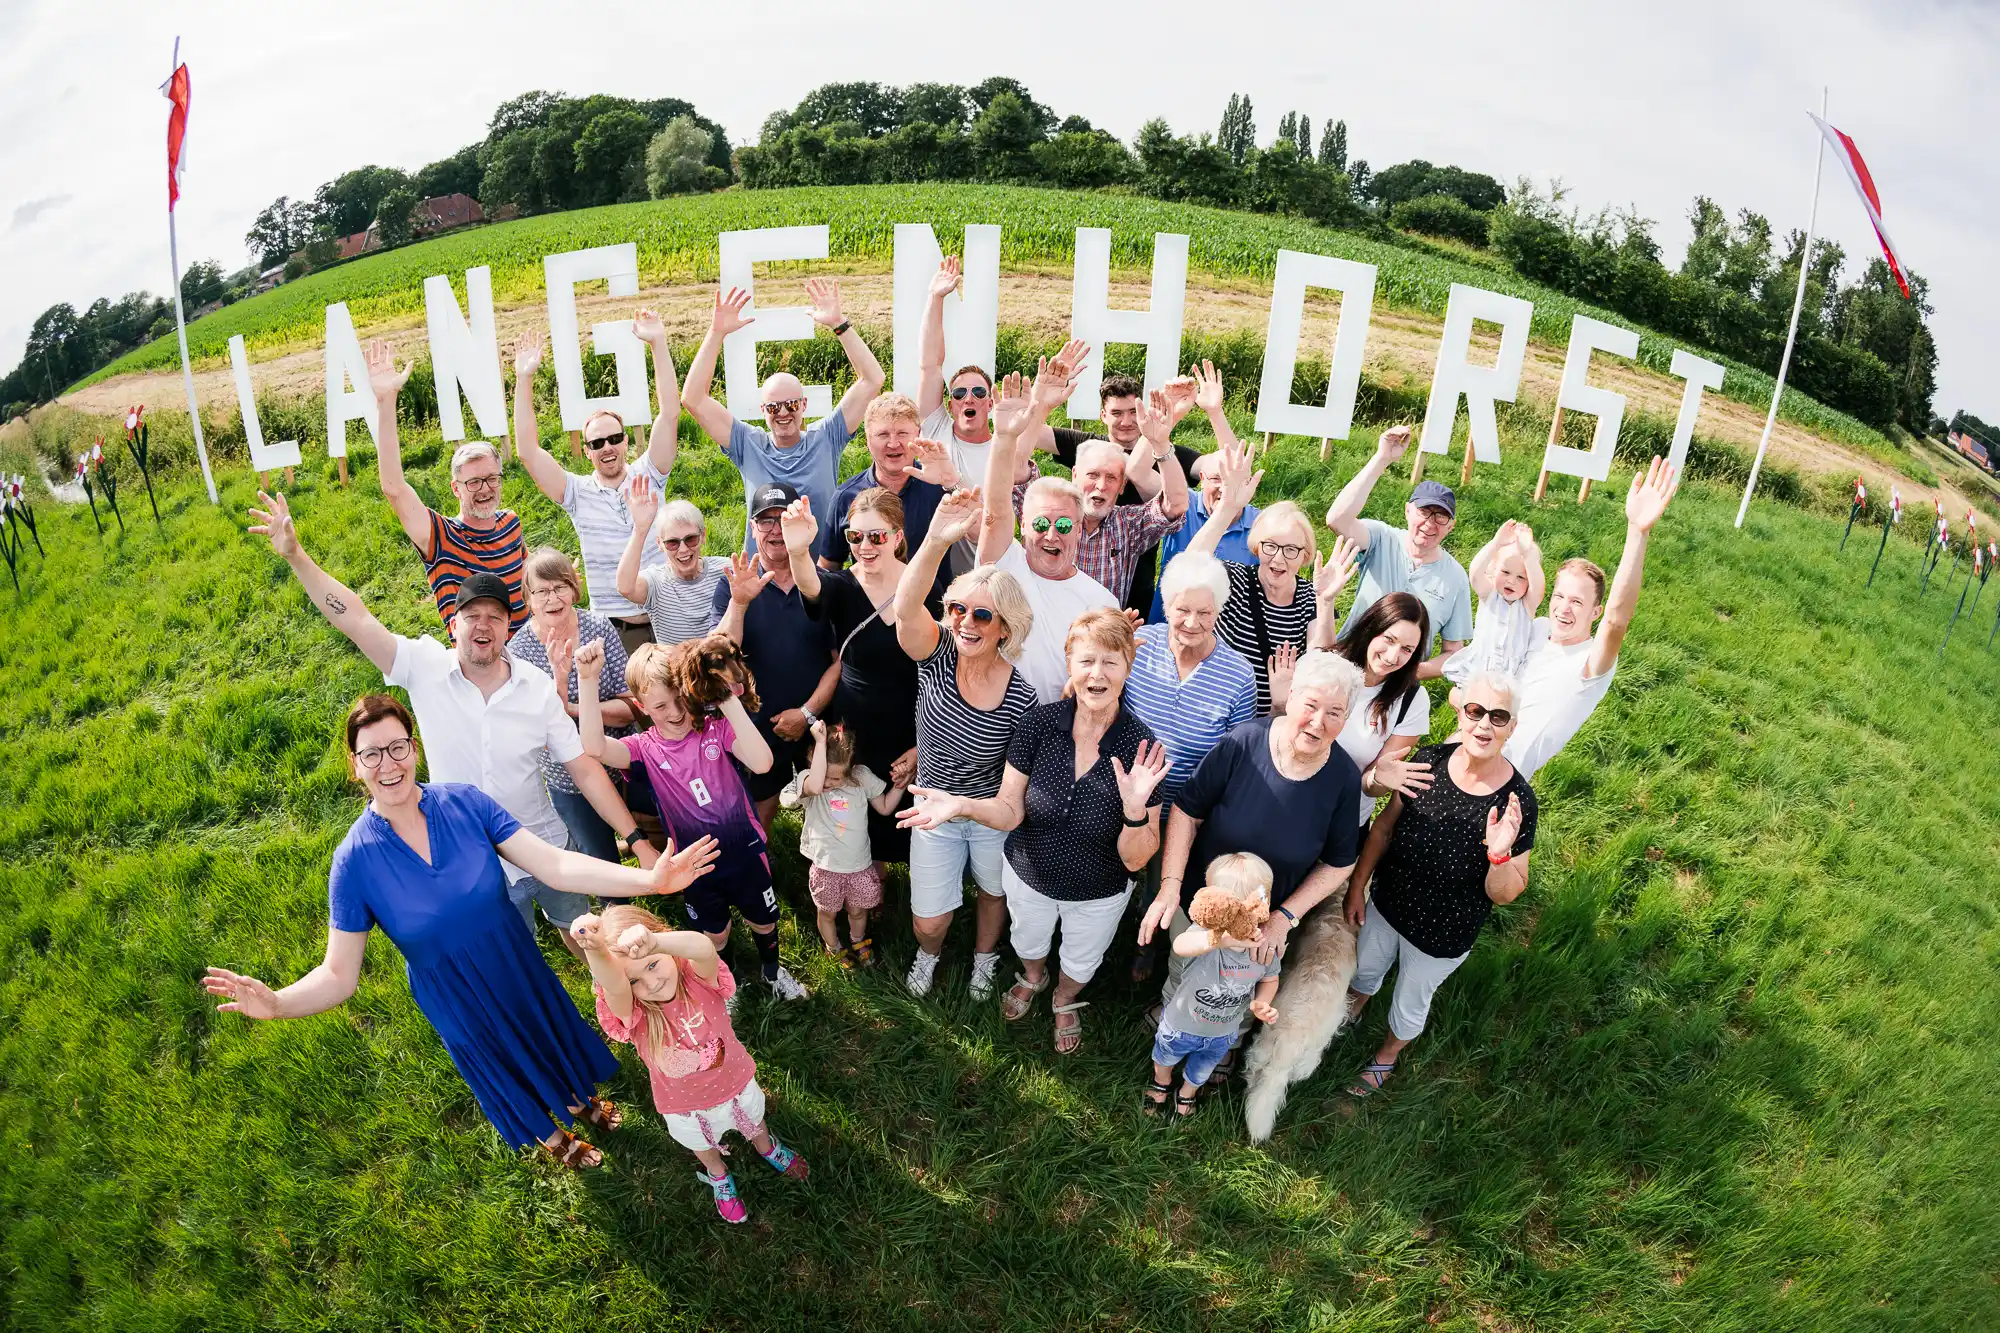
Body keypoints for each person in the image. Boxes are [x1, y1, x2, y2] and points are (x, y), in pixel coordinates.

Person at [202, 694, 719, 1170]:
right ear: (354, 766)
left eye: (397, 747)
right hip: (457, 994)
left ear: (414, 748)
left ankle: (580, 1102)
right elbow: (338, 976)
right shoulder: (353, 862)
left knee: (544, 1032)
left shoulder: (465, 803)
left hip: (515, 963)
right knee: (504, 1060)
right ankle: (553, 1139)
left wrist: (650, 881)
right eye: (371, 754)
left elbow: (555, 867)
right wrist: (278, 1004)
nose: (388, 764)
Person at [248, 492, 653, 945]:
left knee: (583, 939)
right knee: (510, 959)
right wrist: (298, 557)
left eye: (495, 618)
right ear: (453, 624)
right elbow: (358, 620)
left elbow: (584, 769)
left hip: (543, 843)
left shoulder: (536, 687)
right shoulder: (424, 667)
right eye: (472, 616)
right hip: (473, 862)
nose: (483, 626)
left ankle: (612, 1009)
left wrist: (637, 840)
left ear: (507, 627)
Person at [900, 611, 1169, 1054]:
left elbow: (1137, 859)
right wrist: (961, 805)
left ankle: (1065, 998)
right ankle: (1032, 975)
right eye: (1086, 661)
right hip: (1028, 875)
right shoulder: (1039, 725)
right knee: (1027, 939)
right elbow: (1009, 810)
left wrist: (1135, 811)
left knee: (1082, 959)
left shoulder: (1142, 747)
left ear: (1128, 666)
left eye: (1110, 662)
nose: (1096, 674)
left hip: (1098, 890)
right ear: (1069, 663)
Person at [1138, 649, 1366, 1068]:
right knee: (1183, 967)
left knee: (1243, 990)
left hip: (1265, 924)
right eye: (1311, 705)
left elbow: (1339, 862)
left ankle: (1225, 1044)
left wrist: (1284, 917)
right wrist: (1170, 886)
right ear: (1291, 695)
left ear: (1346, 718)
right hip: (1202, 903)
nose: (1318, 722)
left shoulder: (1343, 778)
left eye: (1334, 712)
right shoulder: (1244, 742)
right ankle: (1172, 1018)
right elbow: (1188, 811)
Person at [574, 638, 811, 1001]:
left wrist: (727, 698)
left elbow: (762, 763)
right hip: (695, 867)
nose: (675, 711)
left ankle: (773, 972)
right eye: (660, 705)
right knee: (714, 934)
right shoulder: (644, 749)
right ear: (641, 707)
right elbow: (594, 747)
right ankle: (725, 983)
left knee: (764, 919)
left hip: (745, 852)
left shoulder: (716, 727)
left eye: (681, 698)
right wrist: (587, 682)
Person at [1341, 672, 1536, 1097]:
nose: (1484, 724)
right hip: (1387, 904)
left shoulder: (1517, 802)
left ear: (1512, 727)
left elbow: (1505, 893)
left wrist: (1499, 855)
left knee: (1411, 1000)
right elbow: (1383, 830)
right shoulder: (1427, 760)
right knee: (1365, 969)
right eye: (1475, 711)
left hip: (1442, 932)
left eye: (1498, 717)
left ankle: (1387, 1055)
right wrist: (1358, 886)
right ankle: (1353, 1008)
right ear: (1461, 714)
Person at [890, 486, 1040, 1000]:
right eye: (958, 610)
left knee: (993, 893)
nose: (965, 623)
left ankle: (983, 959)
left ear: (1005, 628)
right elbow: (906, 609)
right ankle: (928, 954)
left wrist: (970, 808)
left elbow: (1011, 797)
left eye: (982, 616)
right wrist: (933, 540)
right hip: (931, 807)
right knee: (929, 921)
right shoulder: (935, 655)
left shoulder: (1021, 697)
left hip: (986, 811)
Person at [570, 906, 809, 1223]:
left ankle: (766, 1147)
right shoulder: (637, 1014)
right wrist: (598, 951)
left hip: (735, 1083)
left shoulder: (698, 977)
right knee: (702, 1145)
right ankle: (718, 1174)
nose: (652, 982)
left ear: (666, 947)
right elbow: (614, 987)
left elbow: (704, 948)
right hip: (685, 1107)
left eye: (653, 963)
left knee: (755, 1120)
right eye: (635, 980)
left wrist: (653, 941)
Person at [1120, 550, 1260, 985]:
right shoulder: (1138, 645)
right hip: (1124, 789)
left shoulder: (1238, 675)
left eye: (1205, 612)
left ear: (1220, 610)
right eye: (1182, 610)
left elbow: (1237, 756)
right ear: (1167, 604)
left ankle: (1144, 944)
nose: (1192, 622)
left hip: (1183, 805)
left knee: (1160, 877)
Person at [508, 319, 680, 657]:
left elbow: (670, 413)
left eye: (614, 438)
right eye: (597, 442)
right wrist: (524, 378)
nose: (607, 447)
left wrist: (658, 344)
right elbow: (527, 451)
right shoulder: (576, 493)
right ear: (587, 451)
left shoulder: (650, 474)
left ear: (626, 441)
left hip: (666, 618)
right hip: (614, 628)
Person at [1502, 457, 1679, 781]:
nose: (1563, 609)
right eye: (1559, 597)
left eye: (1577, 602)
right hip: (1466, 742)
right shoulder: (1537, 629)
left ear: (1595, 612)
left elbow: (1617, 621)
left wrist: (1637, 532)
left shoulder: (1590, 665)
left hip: (1501, 777)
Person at [780, 486, 926, 863]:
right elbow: (812, 587)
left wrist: (921, 746)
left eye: (876, 535)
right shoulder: (842, 586)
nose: (864, 545)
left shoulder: (923, 584)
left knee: (907, 813)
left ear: (897, 536)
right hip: (854, 728)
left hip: (911, 723)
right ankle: (864, 884)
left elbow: (939, 666)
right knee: (858, 819)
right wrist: (798, 551)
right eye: (854, 536)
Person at [680, 283, 885, 550]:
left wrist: (839, 325)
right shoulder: (747, 443)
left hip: (820, 575)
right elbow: (693, 398)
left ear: (804, 405)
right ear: (763, 410)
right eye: (774, 407)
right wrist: (716, 333)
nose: (784, 413)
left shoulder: (826, 437)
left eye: (791, 404)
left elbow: (873, 379)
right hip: (765, 577)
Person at [973, 347, 1119, 704]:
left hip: (1052, 738)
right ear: (1022, 526)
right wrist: (1006, 436)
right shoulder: (1004, 564)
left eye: (1065, 525)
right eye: (1040, 523)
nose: (1052, 535)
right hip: (987, 729)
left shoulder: (1100, 601)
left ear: (1080, 528)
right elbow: (993, 509)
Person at [365, 339, 527, 635]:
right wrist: (386, 401)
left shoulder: (511, 524)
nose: (485, 489)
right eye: (473, 482)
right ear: (456, 488)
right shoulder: (440, 536)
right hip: (482, 665)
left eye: (492, 478)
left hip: (534, 658)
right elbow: (394, 488)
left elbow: (529, 589)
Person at [1187, 436, 1352, 715]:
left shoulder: (1310, 597)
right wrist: (1227, 508)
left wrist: (1326, 602)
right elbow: (1190, 567)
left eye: (1290, 550)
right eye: (1271, 546)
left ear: (1305, 556)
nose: (1278, 558)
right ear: (1256, 547)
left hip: (1272, 719)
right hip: (1216, 712)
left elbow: (1320, 662)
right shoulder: (1235, 580)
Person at [714, 482, 841, 830]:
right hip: (756, 726)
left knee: (829, 816)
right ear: (752, 528)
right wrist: (739, 603)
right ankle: (760, 879)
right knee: (757, 817)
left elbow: (840, 661)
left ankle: (829, 879)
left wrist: (807, 713)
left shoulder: (824, 584)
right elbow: (720, 653)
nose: (774, 530)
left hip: (816, 724)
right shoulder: (733, 583)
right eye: (764, 521)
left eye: (782, 519)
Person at [508, 546, 637, 864]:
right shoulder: (518, 653)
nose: (552, 599)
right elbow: (540, 738)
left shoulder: (599, 628)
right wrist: (561, 685)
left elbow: (630, 708)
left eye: (559, 587)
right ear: (529, 599)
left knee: (654, 838)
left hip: (624, 760)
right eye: (541, 591)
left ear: (573, 589)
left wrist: (574, 710)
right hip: (570, 778)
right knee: (602, 865)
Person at [1323, 425, 1473, 677]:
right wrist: (1382, 458)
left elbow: (1454, 652)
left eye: (1441, 517)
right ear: (1407, 511)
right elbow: (1337, 519)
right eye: (1424, 512)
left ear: (1451, 526)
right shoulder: (1382, 538)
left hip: (1394, 692)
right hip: (1346, 668)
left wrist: (1406, 672)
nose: (1430, 523)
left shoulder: (1456, 577)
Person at [1146, 852, 1283, 1120]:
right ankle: (1161, 1083)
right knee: (1164, 1059)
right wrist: (1218, 940)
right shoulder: (1204, 935)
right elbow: (1180, 946)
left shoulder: (1263, 947)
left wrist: (1262, 1002)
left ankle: (1187, 1092)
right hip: (1180, 1025)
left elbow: (1270, 977)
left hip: (1223, 1032)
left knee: (1202, 1069)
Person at [1031, 388, 1187, 605]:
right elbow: (1018, 467)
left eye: (1111, 478)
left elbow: (1176, 505)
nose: (1101, 485)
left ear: (1122, 485)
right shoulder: (1044, 510)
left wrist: (1161, 444)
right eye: (1093, 475)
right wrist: (1042, 403)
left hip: (1104, 635)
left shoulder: (1128, 524)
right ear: (1075, 475)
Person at [780, 721, 906, 967]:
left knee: (858, 911)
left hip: (858, 864)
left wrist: (900, 786)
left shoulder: (861, 778)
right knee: (827, 912)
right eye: (825, 775)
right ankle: (833, 947)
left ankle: (857, 940)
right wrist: (814, 782)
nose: (828, 783)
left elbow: (885, 807)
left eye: (836, 778)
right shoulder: (809, 782)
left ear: (850, 770)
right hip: (826, 866)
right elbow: (787, 802)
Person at [1322, 592, 1436, 829]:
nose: (1393, 656)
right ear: (1371, 627)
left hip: (1342, 824)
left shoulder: (1412, 700)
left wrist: (1377, 779)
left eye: (1407, 649)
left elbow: (1372, 785)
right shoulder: (1326, 666)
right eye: (1389, 639)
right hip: (1292, 804)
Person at [820, 391, 959, 575]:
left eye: (902, 433)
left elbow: (980, 534)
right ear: (868, 439)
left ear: (918, 434)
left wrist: (950, 482)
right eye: (883, 434)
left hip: (932, 601)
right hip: (868, 602)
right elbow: (828, 568)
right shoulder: (846, 496)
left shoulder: (941, 487)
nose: (893, 444)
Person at [1148, 450, 1263, 624]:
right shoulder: (1183, 503)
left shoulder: (1261, 525)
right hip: (1167, 629)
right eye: (1217, 478)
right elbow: (1138, 473)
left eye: (1235, 482)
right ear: (1202, 479)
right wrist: (1160, 443)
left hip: (1228, 637)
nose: (1226, 488)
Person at [619, 477, 729, 645]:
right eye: (672, 543)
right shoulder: (656, 581)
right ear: (660, 545)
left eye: (690, 539)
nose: (683, 549)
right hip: (673, 670)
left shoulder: (725, 570)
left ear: (703, 536)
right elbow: (625, 587)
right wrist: (640, 529)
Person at [1443, 519, 1545, 688]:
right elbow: (1475, 573)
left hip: (1509, 678)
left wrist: (1529, 557)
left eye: (1521, 577)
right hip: (1478, 671)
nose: (1511, 581)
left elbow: (1539, 588)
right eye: (1505, 572)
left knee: (1502, 712)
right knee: (1472, 709)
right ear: (1493, 571)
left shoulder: (1526, 605)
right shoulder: (1490, 595)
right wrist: (1496, 544)